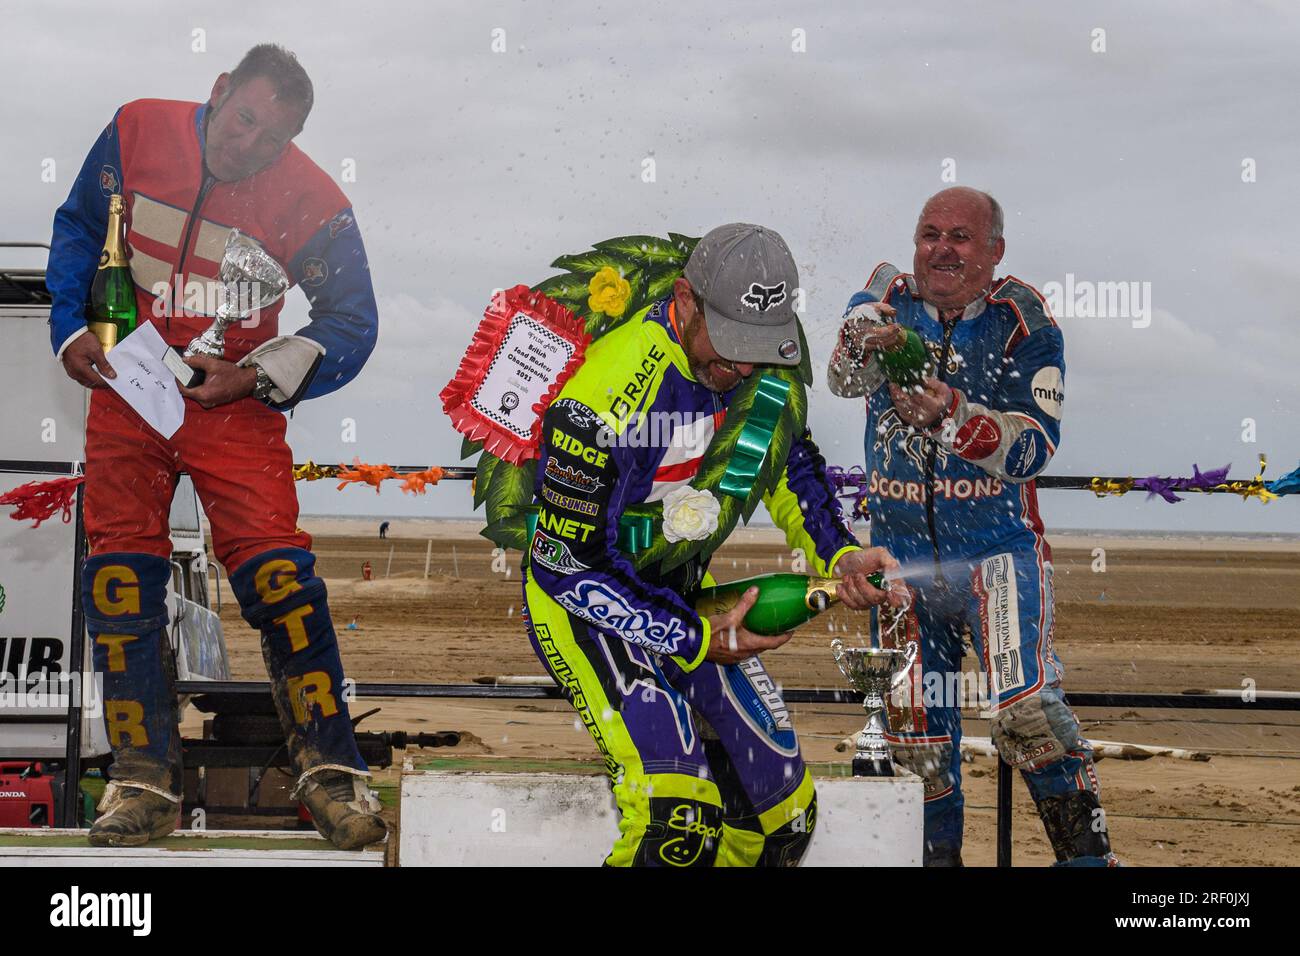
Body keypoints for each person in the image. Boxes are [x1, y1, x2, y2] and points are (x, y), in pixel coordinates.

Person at [47, 44, 383, 849]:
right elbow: (78, 229)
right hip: (126, 390)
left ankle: (332, 776)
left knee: (279, 578)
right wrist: (69, 332)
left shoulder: (313, 197)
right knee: (121, 582)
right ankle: (141, 783)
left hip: (232, 403)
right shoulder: (134, 131)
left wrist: (254, 377)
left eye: (273, 139)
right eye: (243, 122)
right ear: (220, 89)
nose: (250, 147)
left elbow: (354, 323)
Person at [522, 223, 902, 866]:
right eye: (730, 346)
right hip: (587, 606)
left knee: (785, 819)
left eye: (758, 347)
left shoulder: (764, 371)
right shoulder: (602, 393)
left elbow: (786, 463)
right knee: (679, 819)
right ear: (685, 299)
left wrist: (840, 555)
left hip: (683, 601)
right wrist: (697, 639)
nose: (746, 365)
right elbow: (566, 566)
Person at [827, 187, 1115, 866]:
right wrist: (870, 337)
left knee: (1029, 719)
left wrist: (953, 416)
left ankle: (1091, 864)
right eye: (930, 234)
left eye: (961, 238)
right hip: (900, 567)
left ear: (994, 252)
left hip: (996, 556)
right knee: (916, 743)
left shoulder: (1024, 318)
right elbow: (842, 378)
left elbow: (1035, 447)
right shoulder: (884, 291)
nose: (942, 250)